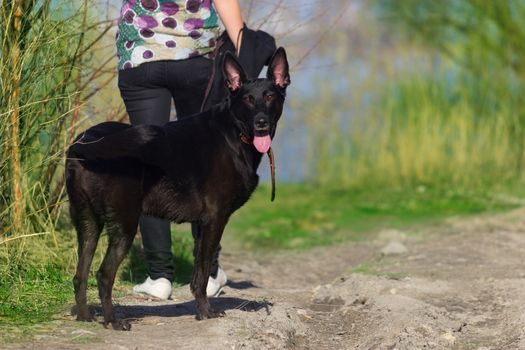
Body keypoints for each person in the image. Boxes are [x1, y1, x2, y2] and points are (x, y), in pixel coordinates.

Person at [116, 0, 244, 300]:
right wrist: (244, 48)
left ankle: (159, 276)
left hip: (140, 55)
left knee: (149, 161)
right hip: (196, 57)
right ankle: (210, 274)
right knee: (205, 165)